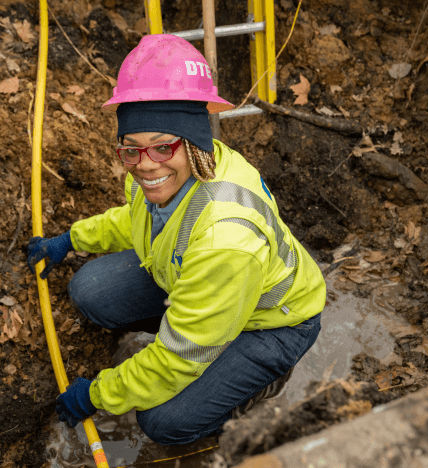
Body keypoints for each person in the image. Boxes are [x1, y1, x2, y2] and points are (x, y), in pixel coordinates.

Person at [25, 34, 326, 445]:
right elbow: (134, 220)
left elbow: (174, 360)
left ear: (194, 141)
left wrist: (98, 394)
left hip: (270, 323)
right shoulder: (166, 172)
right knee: (89, 289)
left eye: (162, 147)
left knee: (164, 422)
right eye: (131, 150)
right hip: (205, 282)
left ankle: (255, 381)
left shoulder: (227, 240)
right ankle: (203, 328)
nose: (146, 165)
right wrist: (71, 239)